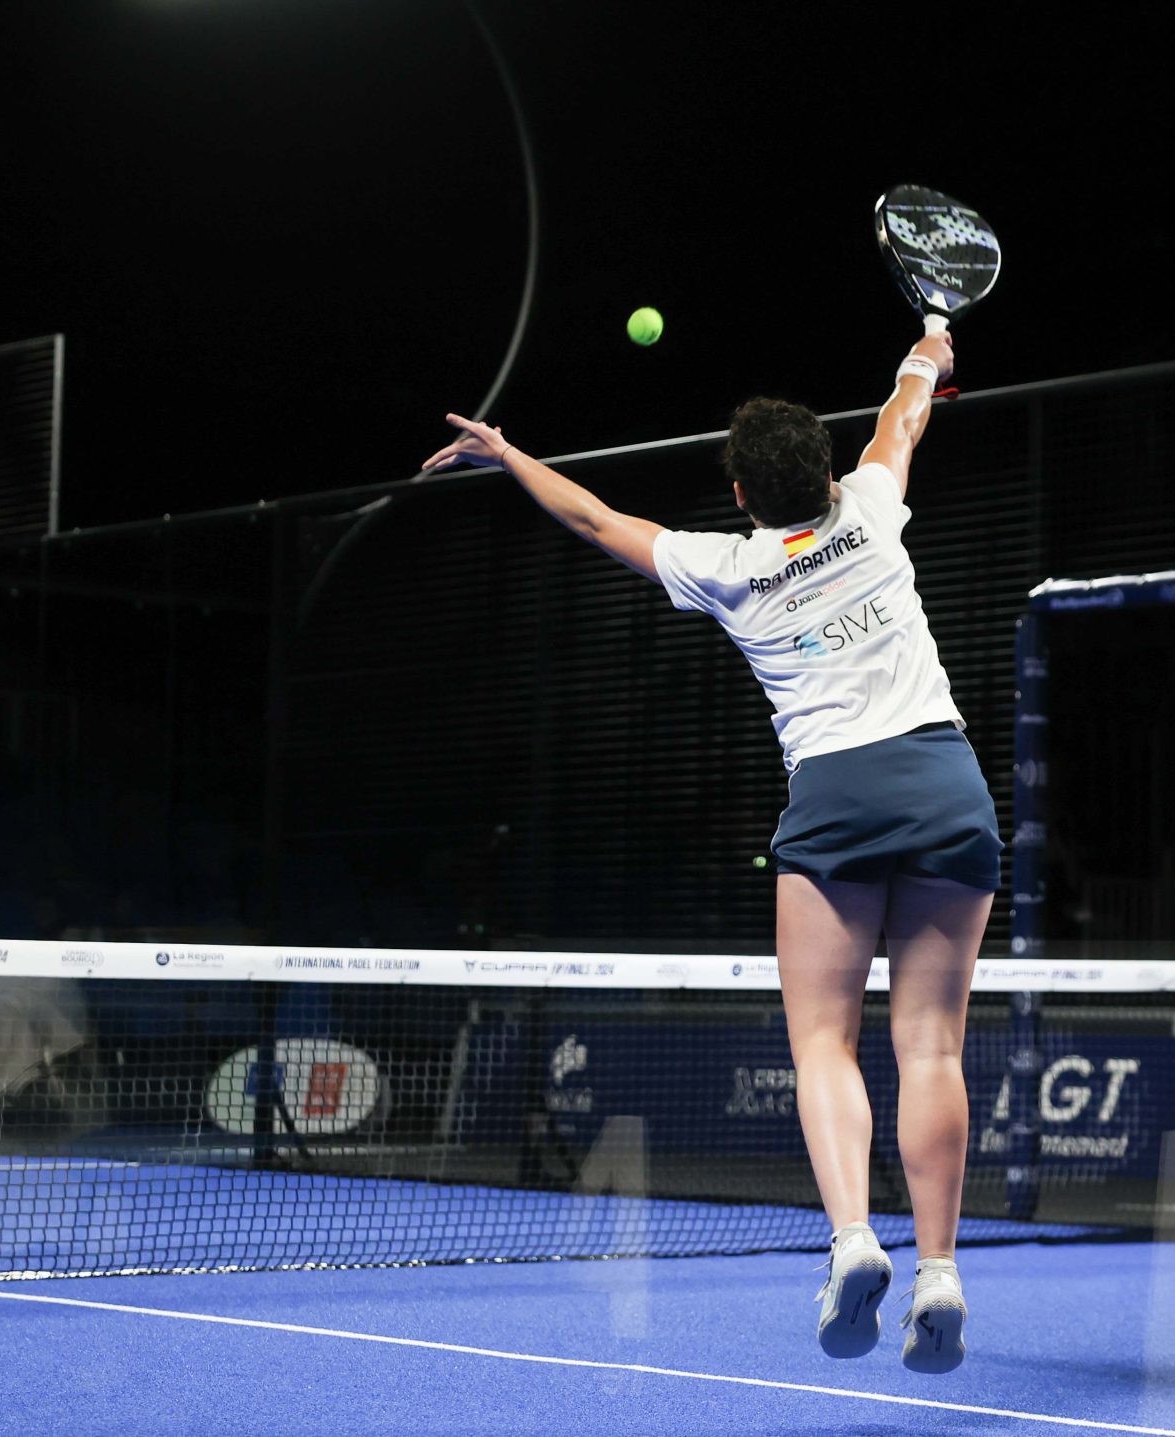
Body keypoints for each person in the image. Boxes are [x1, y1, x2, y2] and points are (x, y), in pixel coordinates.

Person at [421, 324, 990, 1374]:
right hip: (947, 786)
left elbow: (594, 519)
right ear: (828, 473)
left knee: (824, 1043)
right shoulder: (871, 507)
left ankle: (854, 1240)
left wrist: (505, 453)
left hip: (836, 798)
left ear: (740, 496)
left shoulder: (724, 566)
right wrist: (928, 352)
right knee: (931, 1048)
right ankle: (942, 1273)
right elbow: (902, 420)